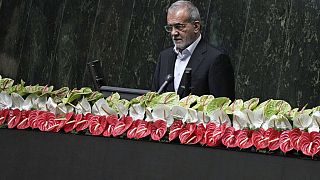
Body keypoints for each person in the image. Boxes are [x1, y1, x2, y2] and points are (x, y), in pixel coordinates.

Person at [151, 0, 235, 100]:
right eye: (170, 28)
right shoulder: (164, 57)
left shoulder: (216, 59)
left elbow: (223, 108)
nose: (173, 33)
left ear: (196, 27)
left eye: (179, 27)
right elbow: (154, 98)